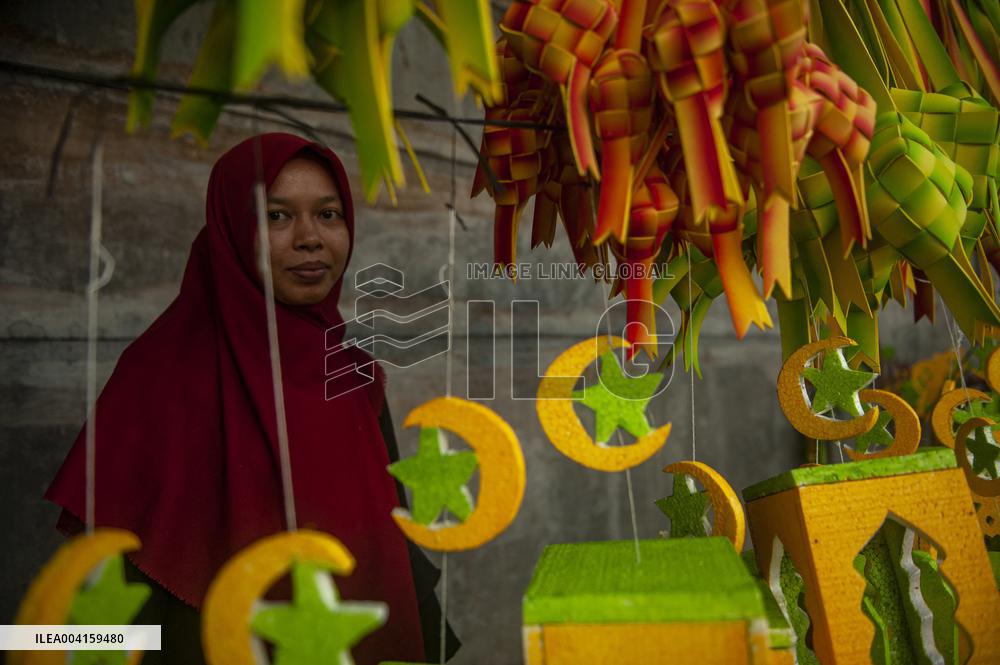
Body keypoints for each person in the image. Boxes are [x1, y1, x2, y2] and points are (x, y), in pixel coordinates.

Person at [43, 132, 459, 664]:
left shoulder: (349, 370)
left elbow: (394, 556)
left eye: (328, 215)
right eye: (278, 216)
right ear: (231, 232)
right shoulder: (157, 378)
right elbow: (90, 622)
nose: (310, 238)